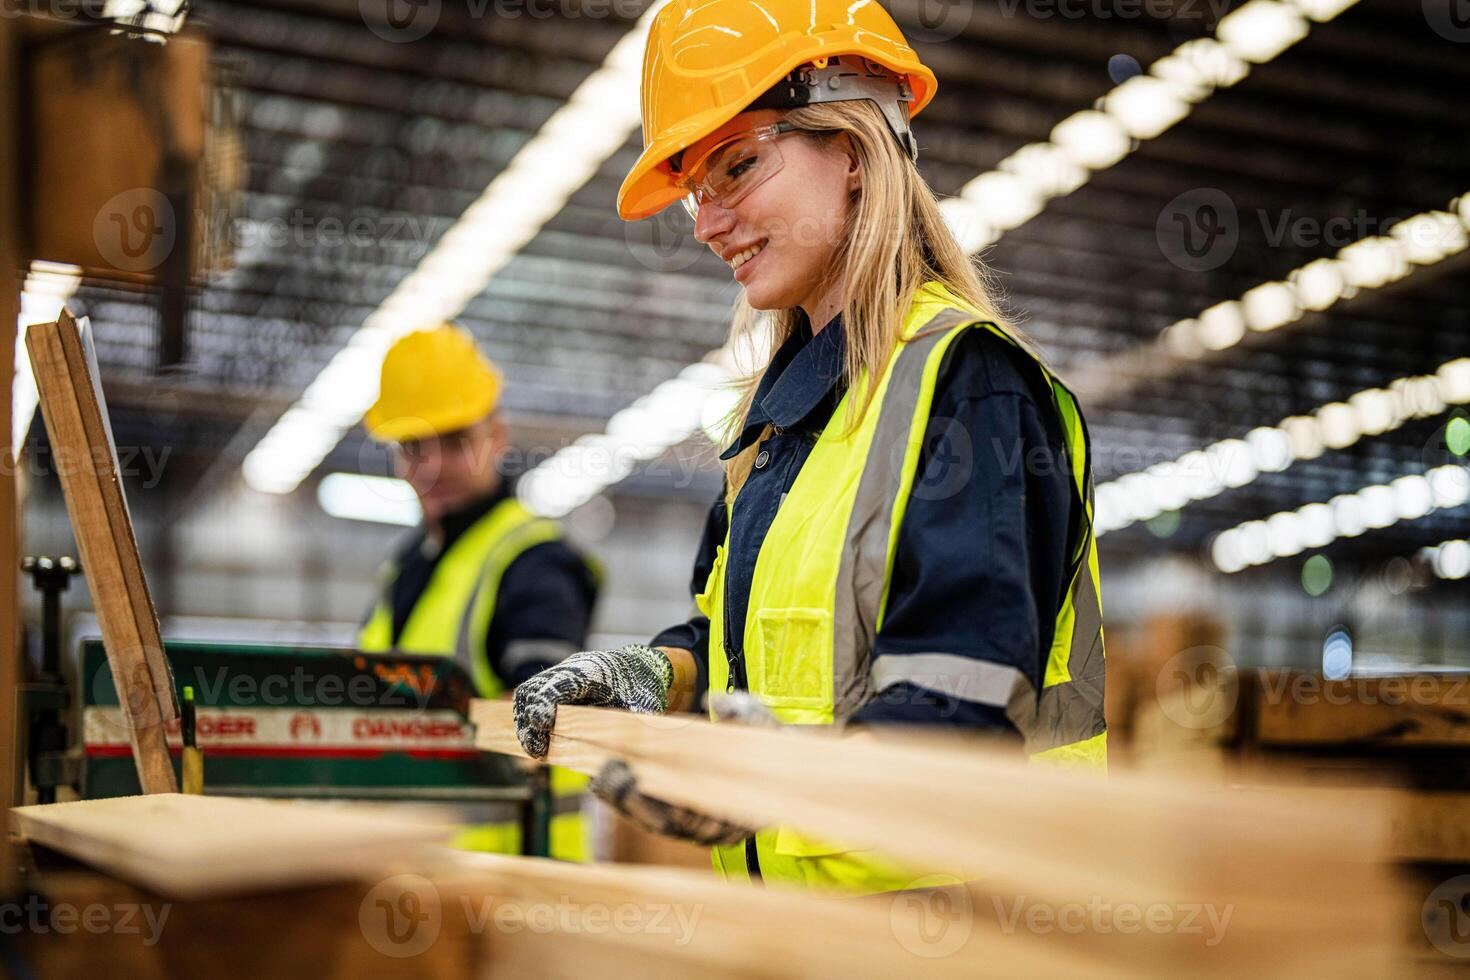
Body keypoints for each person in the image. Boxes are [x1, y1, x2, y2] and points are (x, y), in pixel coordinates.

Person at [513, 0, 1106, 893]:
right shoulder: (776, 419)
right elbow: (746, 645)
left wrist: (763, 781)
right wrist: (653, 672)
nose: (707, 225)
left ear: (854, 154)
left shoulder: (968, 388)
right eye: (695, 193)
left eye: (737, 168)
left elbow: (965, 709)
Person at [358, 323, 598, 859]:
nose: (434, 464)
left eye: (456, 441)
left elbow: (540, 714)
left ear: (498, 435)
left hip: (515, 882)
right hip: (416, 876)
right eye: (414, 446)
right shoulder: (406, 569)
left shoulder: (537, 562)